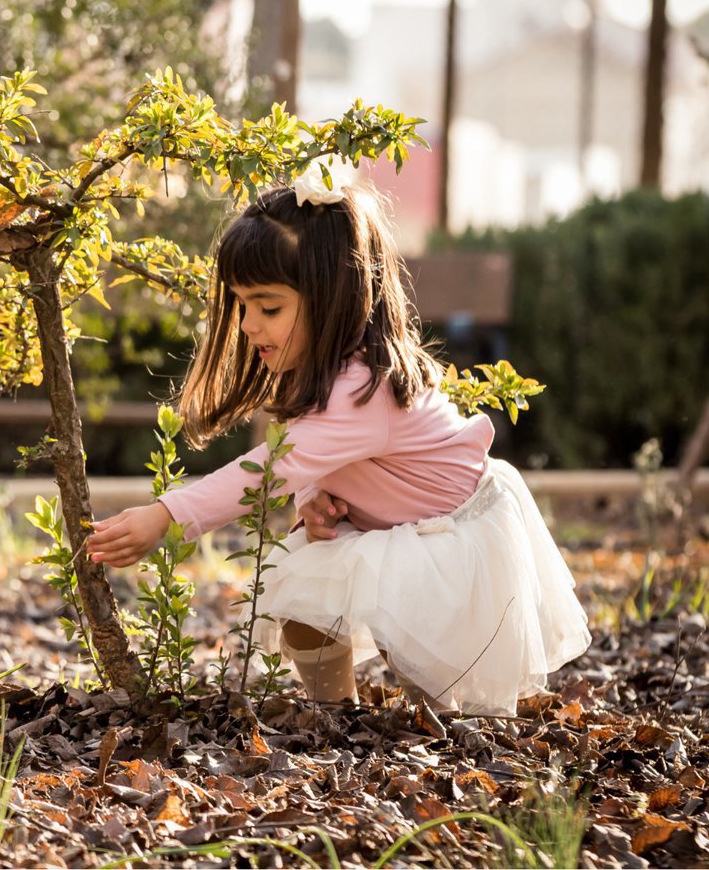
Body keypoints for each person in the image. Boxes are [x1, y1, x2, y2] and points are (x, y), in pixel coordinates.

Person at [86, 172, 590, 716]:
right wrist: (313, 500)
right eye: (241, 306)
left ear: (332, 298)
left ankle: (446, 731)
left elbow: (271, 467)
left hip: (453, 541)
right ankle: (337, 717)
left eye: (269, 307)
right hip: (400, 529)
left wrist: (167, 514)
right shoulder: (328, 373)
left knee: (436, 681)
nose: (250, 325)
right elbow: (312, 462)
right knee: (305, 593)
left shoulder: (362, 389)